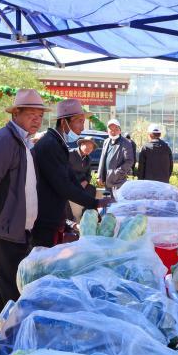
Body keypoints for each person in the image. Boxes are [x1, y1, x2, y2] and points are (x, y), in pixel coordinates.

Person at [0, 88, 47, 321]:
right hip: (3, 228)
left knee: (8, 288)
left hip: (16, 228)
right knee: (12, 289)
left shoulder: (22, 141)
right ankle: (9, 334)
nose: (37, 120)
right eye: (31, 115)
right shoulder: (5, 140)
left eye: (40, 116)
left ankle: (3, 332)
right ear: (16, 114)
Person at [32, 98, 107, 247]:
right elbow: (63, 185)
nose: (82, 127)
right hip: (45, 218)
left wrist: (92, 203)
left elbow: (70, 176)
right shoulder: (50, 144)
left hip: (54, 216)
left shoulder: (58, 143)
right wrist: (95, 202)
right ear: (64, 122)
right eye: (79, 121)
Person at [97, 118, 135, 196]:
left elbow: (129, 161)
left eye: (115, 129)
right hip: (107, 180)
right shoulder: (106, 141)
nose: (113, 131)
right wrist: (99, 176)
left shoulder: (126, 143)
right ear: (107, 131)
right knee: (108, 201)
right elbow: (102, 159)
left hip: (118, 181)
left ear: (120, 130)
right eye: (110, 129)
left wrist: (116, 172)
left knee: (117, 201)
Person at [67, 136, 98, 220]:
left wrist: (85, 182)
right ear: (81, 144)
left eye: (91, 148)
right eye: (87, 146)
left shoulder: (88, 159)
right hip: (70, 183)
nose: (89, 149)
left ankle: (86, 214)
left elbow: (89, 174)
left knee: (92, 189)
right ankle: (69, 219)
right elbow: (63, 170)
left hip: (82, 184)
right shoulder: (70, 154)